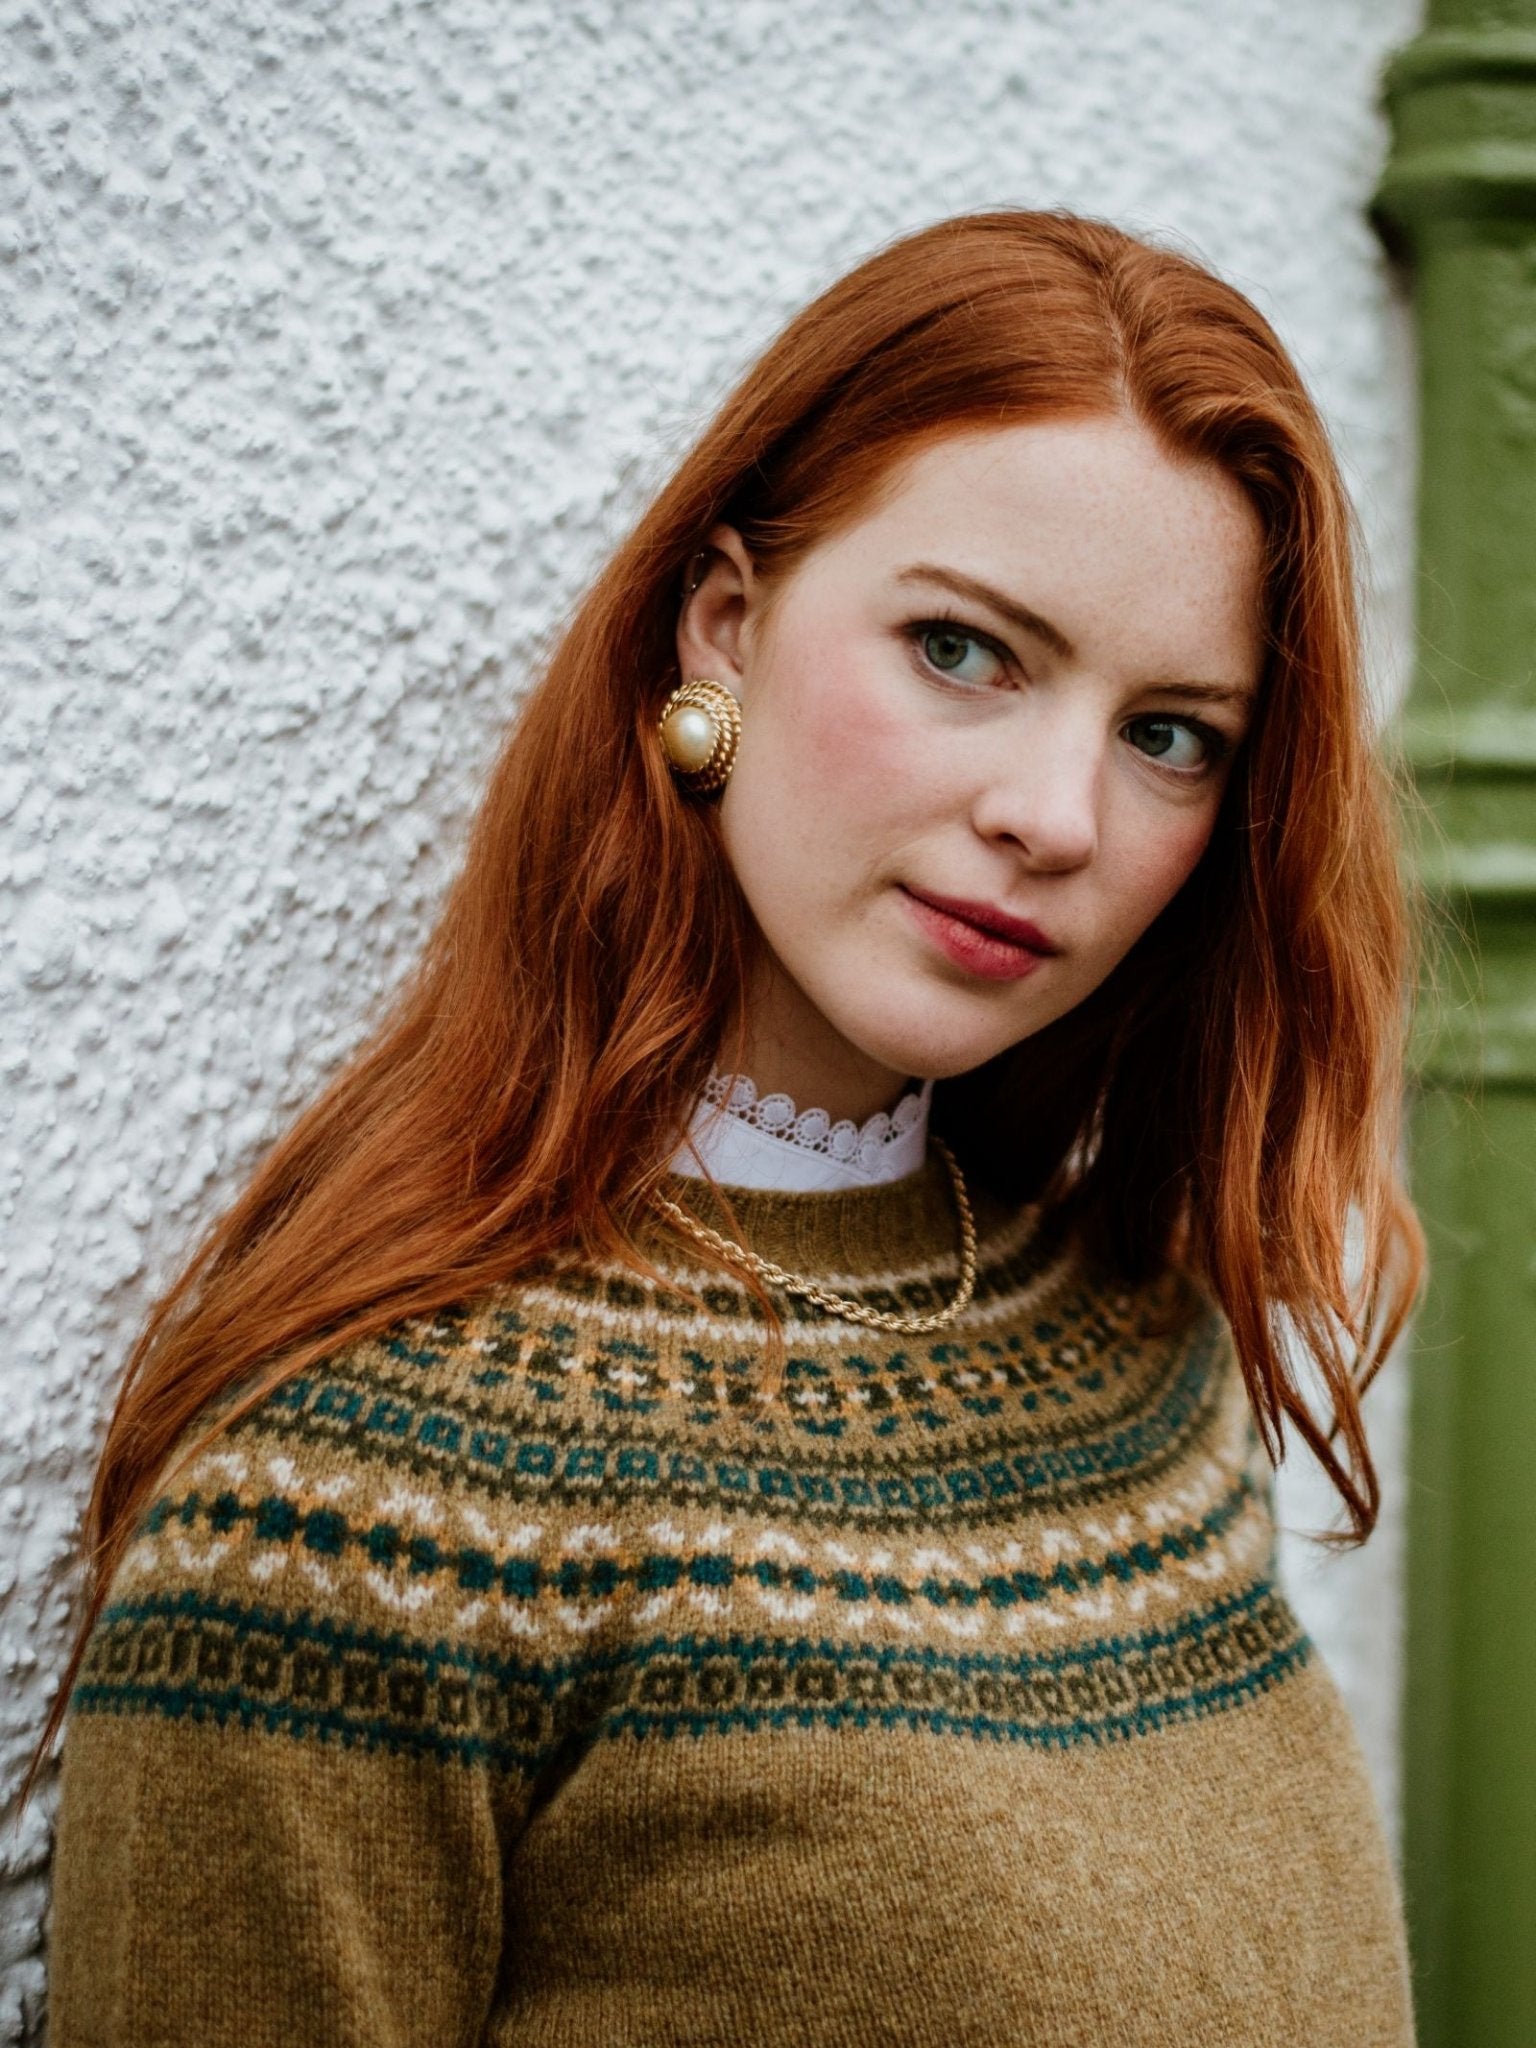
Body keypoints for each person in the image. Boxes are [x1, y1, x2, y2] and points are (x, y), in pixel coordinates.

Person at [39, 208, 1423, 2046]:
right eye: (964, 650)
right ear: (728, 626)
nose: (1058, 813)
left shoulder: (1132, 1340)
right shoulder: (354, 1518)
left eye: (1171, 735)